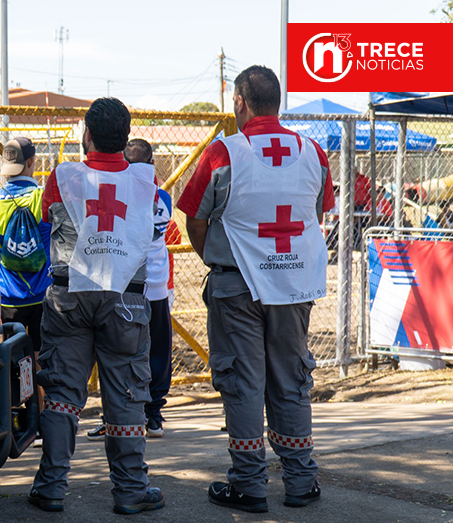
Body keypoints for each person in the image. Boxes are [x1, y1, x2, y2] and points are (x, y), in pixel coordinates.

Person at [177, 65, 334, 513]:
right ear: (277, 103)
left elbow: (194, 216)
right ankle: (301, 481)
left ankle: (248, 485)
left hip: (236, 286)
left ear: (240, 102)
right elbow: (317, 214)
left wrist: (217, 260)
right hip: (293, 286)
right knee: (291, 380)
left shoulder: (223, 153)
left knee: (244, 383)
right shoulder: (314, 153)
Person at [28, 98, 164, 515]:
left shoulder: (63, 176)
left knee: (63, 393)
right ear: (126, 137)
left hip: (70, 294)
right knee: (125, 394)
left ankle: (51, 487)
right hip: (125, 299)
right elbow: (158, 227)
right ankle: (130, 491)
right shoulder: (146, 181)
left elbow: (41, 222)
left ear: (86, 135)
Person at [86, 138, 181, 441]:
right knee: (157, 353)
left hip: (124, 288)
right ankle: (152, 416)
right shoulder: (161, 197)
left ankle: (116, 416)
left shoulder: (117, 193)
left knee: (118, 353)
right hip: (155, 288)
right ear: (153, 165)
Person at [0, 137, 52, 358]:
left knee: (12, 356)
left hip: (8, 298)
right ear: (32, 161)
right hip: (42, 294)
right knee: (42, 355)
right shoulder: (43, 198)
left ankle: (13, 392)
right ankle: (41, 393)